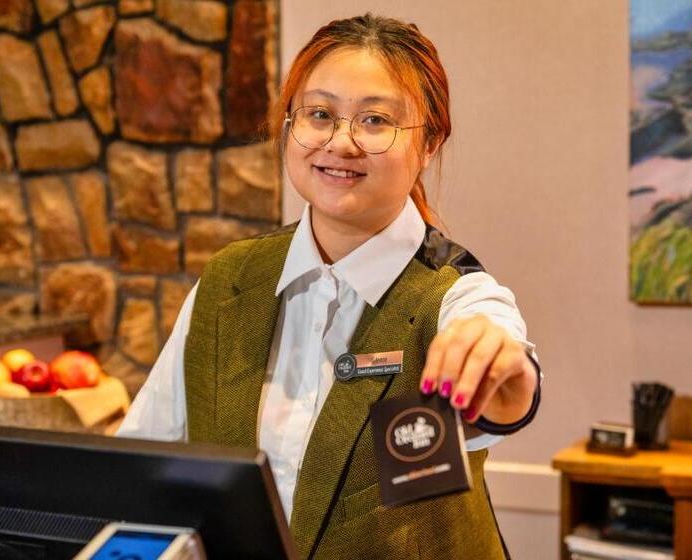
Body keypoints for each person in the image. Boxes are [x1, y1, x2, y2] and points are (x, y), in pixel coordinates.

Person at [118, 13, 541, 559]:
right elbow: (144, 466)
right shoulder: (228, 284)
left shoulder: (454, 294)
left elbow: (499, 350)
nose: (341, 143)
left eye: (374, 120)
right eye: (319, 114)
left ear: (430, 142)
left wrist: (506, 370)